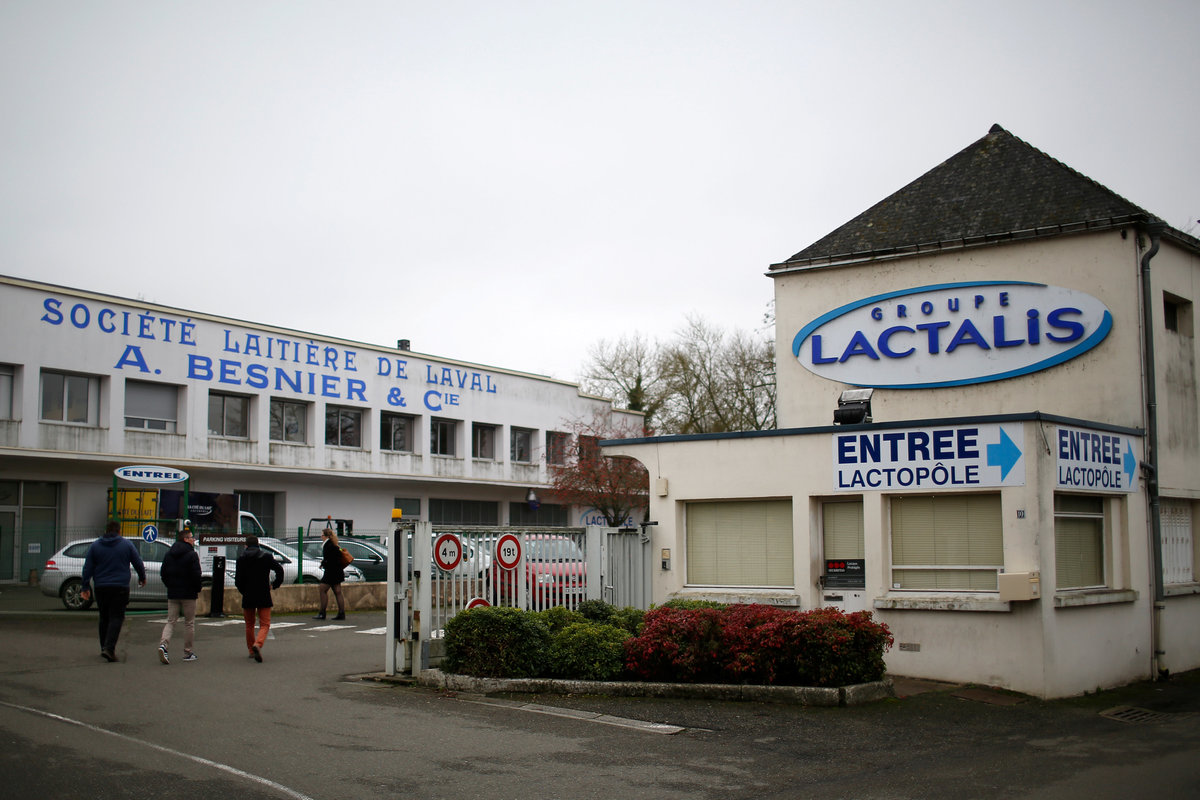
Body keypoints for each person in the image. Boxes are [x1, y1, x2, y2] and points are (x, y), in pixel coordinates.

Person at [80, 520, 146, 662]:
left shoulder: (95, 546)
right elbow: (137, 562)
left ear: (106, 531)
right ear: (119, 531)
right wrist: (142, 577)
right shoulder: (127, 545)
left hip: (101, 587)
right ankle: (109, 649)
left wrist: (85, 586)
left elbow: (88, 567)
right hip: (120, 587)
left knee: (104, 617)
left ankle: (104, 646)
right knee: (116, 617)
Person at [234, 534, 283, 663]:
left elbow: (238, 581)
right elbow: (279, 570)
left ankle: (251, 650)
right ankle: (258, 643)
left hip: (248, 594)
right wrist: (275, 585)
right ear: (258, 545)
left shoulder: (241, 559)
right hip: (263, 593)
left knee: (249, 624)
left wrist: (244, 591)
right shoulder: (266, 557)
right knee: (265, 624)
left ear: (246, 546)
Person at [158, 524, 202, 664]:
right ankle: (188, 652)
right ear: (185, 539)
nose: (193, 540)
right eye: (191, 538)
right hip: (189, 594)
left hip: (173, 593)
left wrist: (170, 586)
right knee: (189, 623)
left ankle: (163, 645)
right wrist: (197, 588)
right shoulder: (192, 555)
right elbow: (196, 575)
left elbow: (163, 573)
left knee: (171, 621)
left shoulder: (169, 554)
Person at [313, 526, 346, 621]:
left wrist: (324, 563)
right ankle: (341, 613)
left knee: (322, 589)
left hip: (331, 572)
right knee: (338, 592)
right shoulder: (334, 545)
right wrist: (324, 562)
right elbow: (334, 557)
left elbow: (329, 559)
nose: (321, 537)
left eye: (322, 535)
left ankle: (322, 613)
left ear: (326, 536)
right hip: (338, 572)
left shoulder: (328, 546)